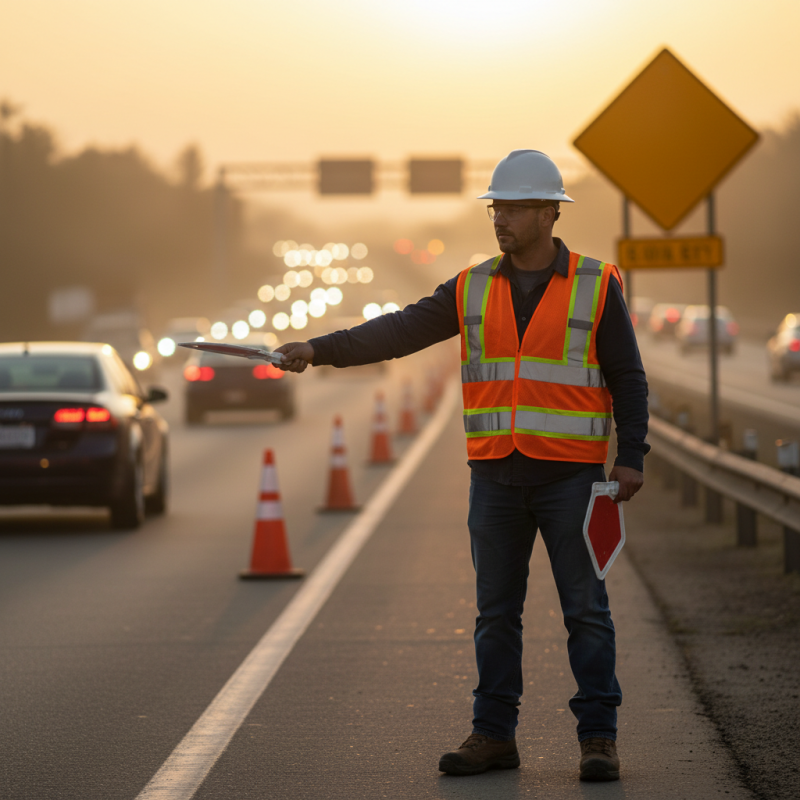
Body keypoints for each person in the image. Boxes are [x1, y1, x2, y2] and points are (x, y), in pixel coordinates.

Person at [275, 150, 649, 782]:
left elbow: (627, 376)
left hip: (572, 478)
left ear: (549, 213)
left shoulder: (594, 283)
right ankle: (494, 734)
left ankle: (598, 737)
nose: (499, 218)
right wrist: (319, 349)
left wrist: (632, 455)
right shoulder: (473, 285)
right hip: (496, 477)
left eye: (512, 207)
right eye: (496, 206)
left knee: (585, 610)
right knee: (494, 614)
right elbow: (399, 332)